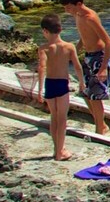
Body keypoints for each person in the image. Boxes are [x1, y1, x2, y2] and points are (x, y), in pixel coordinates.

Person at [58, 0, 110, 135]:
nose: (66, 10)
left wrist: (103, 68)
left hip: (98, 58)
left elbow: (108, 42)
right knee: (86, 93)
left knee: (95, 96)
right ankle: (101, 123)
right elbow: (84, 36)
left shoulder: (90, 17)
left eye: (68, 7)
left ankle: (100, 128)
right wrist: (75, 51)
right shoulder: (78, 15)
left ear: (79, 4)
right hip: (88, 56)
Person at [33, 14, 84, 161]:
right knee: (62, 119)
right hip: (62, 84)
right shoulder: (69, 47)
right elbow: (77, 67)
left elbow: (42, 67)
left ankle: (57, 149)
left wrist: (39, 89)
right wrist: (81, 82)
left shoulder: (44, 48)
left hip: (50, 84)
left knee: (54, 118)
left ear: (45, 31)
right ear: (60, 29)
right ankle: (60, 151)